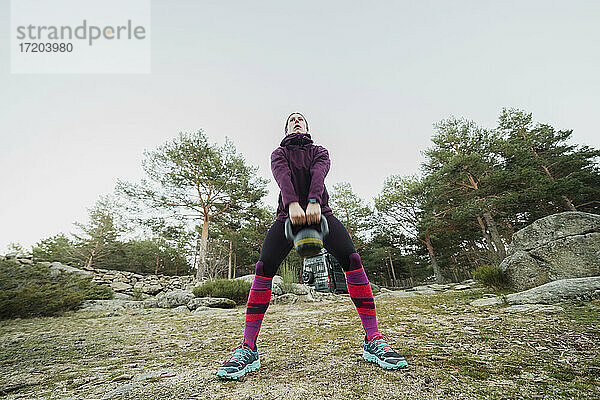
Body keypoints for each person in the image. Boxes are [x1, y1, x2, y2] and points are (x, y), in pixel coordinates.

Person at [216, 112, 408, 380]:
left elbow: (319, 174)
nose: (296, 121)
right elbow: (282, 177)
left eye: (301, 119)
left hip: (322, 213)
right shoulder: (278, 153)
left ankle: (374, 339)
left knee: (352, 260)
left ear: (307, 127)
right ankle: (247, 348)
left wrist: (314, 202)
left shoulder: (320, 151)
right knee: (263, 267)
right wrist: (293, 203)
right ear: (285, 129)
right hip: (287, 216)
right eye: (291, 119)